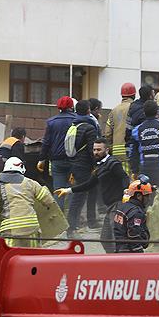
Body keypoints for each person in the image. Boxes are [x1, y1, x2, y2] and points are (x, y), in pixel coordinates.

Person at [55, 138, 129, 253]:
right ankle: (114, 259)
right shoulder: (100, 167)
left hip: (117, 206)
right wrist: (68, 190)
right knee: (105, 239)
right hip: (110, 207)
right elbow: (89, 184)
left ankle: (121, 262)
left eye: (99, 149)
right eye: (94, 150)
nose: (96, 152)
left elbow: (124, 177)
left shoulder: (113, 163)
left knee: (116, 238)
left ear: (107, 150)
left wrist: (126, 192)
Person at [0, 157, 59, 248]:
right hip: (31, 228)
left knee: (11, 257)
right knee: (33, 255)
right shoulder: (31, 183)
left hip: (10, 229)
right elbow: (49, 201)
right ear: (21, 168)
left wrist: (2, 213)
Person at [66, 100, 101, 236]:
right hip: (85, 165)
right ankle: (72, 227)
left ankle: (83, 223)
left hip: (75, 163)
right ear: (88, 110)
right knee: (79, 196)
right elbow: (92, 150)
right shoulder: (89, 128)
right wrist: (96, 164)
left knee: (84, 193)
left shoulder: (74, 125)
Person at [38, 96, 77, 210]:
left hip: (56, 161)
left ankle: (59, 220)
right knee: (72, 189)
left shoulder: (51, 122)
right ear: (72, 107)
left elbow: (46, 143)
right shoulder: (77, 120)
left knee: (58, 190)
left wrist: (42, 159)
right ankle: (70, 219)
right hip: (73, 161)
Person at [112, 176, 152, 253]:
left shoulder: (122, 206)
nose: (149, 199)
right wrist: (139, 253)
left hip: (119, 249)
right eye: (147, 196)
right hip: (128, 252)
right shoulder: (136, 213)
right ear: (139, 196)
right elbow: (134, 236)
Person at [104, 83, 135, 174]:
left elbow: (108, 133)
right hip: (131, 150)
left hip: (116, 151)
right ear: (134, 95)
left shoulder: (114, 110)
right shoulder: (135, 108)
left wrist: (110, 148)